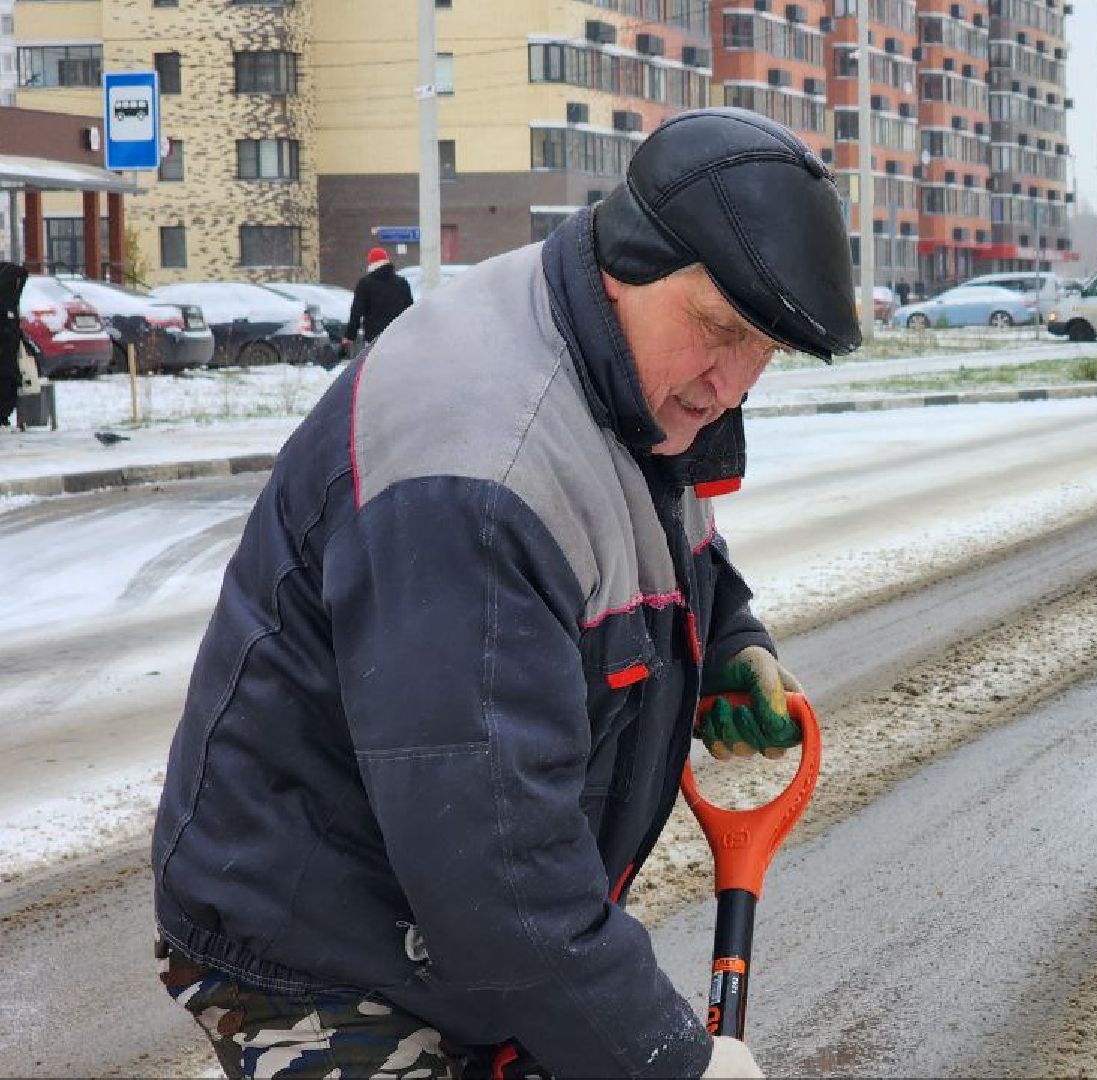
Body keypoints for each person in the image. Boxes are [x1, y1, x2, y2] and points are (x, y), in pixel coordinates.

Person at [151, 107, 860, 1079]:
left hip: (452, 927)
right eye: (718, 330)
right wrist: (672, 1065)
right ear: (633, 261)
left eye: (762, 350)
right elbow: (496, 878)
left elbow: (665, 538)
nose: (729, 385)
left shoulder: (627, 373)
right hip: (315, 945)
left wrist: (727, 639)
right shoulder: (479, 470)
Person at [343, 245, 414, 356]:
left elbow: (356, 312)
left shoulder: (365, 284)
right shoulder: (402, 283)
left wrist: (349, 336)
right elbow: (410, 310)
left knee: (375, 364)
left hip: (374, 338)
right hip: (397, 336)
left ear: (371, 264)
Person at [0, 262, 26, 430]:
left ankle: (5, 414)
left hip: (10, 351)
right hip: (5, 351)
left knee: (9, 380)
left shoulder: (10, 301)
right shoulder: (5, 301)